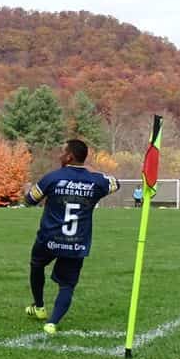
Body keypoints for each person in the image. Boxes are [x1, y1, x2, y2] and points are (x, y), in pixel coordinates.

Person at [23, 139, 121, 334]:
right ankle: (52, 323)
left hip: (49, 239)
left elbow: (29, 200)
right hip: (76, 242)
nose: (60, 155)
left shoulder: (53, 177)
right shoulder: (96, 181)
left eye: (62, 152)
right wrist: (93, 176)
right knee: (67, 285)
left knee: (37, 264)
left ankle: (40, 306)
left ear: (69, 156)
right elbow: (115, 183)